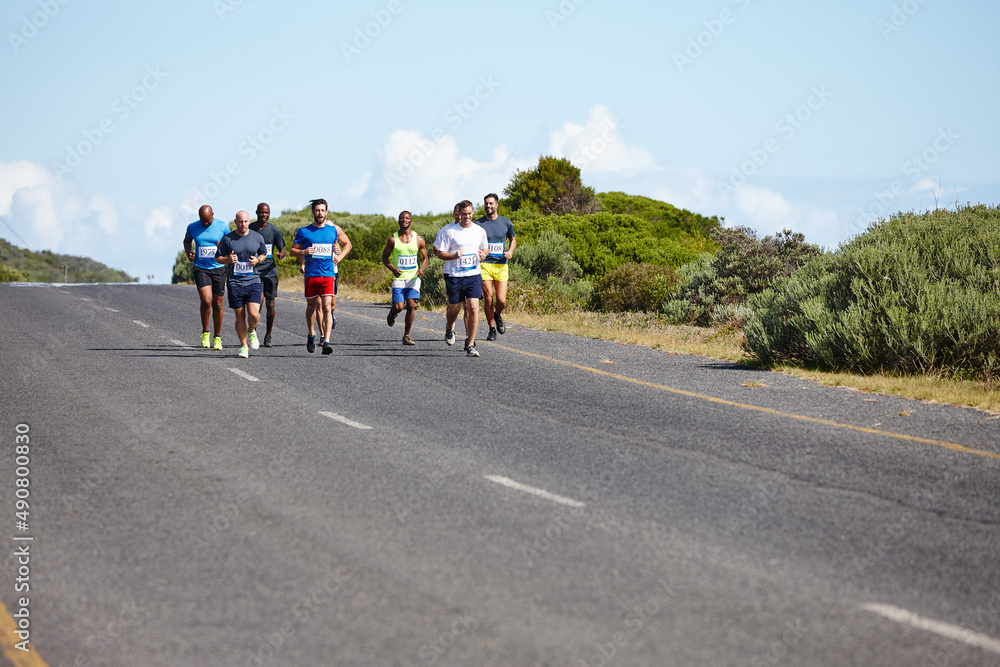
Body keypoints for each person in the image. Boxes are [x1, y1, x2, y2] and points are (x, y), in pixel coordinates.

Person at [289, 199, 351, 355]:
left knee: (327, 308)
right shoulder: (304, 231)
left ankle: (326, 341)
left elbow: (347, 244)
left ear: (327, 212)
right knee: (311, 307)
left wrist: (340, 255)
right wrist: (303, 252)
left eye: (323, 210)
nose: (320, 213)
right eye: (317, 210)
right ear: (313, 212)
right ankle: (311, 334)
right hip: (311, 275)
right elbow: (292, 251)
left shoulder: (332, 230)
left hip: (328, 274)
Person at [433, 200, 488, 357]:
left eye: (469, 214)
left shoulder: (479, 231)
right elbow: (439, 252)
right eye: (464, 214)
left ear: (472, 213)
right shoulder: (450, 231)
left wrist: (484, 254)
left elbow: (485, 247)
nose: (467, 217)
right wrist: (453, 255)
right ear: (459, 214)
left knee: (473, 307)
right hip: (455, 276)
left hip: (473, 275)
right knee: (454, 309)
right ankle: (450, 326)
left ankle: (470, 344)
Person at [215, 210, 268, 358]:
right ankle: (244, 346)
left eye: (245, 221)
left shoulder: (257, 237)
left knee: (254, 314)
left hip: (253, 280)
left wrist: (257, 260)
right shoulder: (228, 239)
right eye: (240, 221)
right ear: (235, 222)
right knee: (239, 317)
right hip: (235, 282)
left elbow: (264, 254)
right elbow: (217, 257)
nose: (243, 224)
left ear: (249, 221)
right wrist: (228, 260)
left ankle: (252, 330)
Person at [183, 204, 229, 350]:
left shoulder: (222, 226)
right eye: (203, 220)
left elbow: (231, 244)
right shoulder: (192, 227)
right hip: (201, 268)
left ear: (213, 215)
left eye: (208, 220)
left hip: (219, 269)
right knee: (206, 300)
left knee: (218, 304)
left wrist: (222, 246)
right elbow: (187, 241)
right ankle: (205, 333)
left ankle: (217, 337)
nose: (206, 223)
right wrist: (188, 252)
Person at [381, 210, 428, 346]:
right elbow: (385, 257)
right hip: (400, 279)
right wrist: (392, 268)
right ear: (398, 221)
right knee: (399, 307)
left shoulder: (418, 239)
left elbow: (425, 258)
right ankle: (392, 313)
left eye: (407, 218)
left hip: (414, 278)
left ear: (411, 221)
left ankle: (406, 335)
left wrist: (421, 269)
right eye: (402, 218)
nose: (404, 220)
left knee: (411, 305)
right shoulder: (392, 239)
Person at [475, 193, 516, 341]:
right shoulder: (478, 224)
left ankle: (497, 315)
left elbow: (513, 239)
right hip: (485, 265)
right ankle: (492, 329)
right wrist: (478, 253)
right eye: (486, 203)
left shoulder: (506, 222)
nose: (488, 206)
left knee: (501, 300)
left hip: (501, 265)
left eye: (491, 203)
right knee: (488, 299)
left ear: (497, 205)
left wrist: (510, 252)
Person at [248, 202, 286, 347]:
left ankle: (268, 335)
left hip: (270, 271)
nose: (264, 215)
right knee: (258, 302)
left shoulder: (275, 231)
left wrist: (282, 254)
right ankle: (253, 332)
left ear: (269, 214)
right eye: (261, 212)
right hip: (254, 271)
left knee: (270, 304)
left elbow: (282, 249)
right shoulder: (250, 229)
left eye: (267, 213)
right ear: (256, 213)